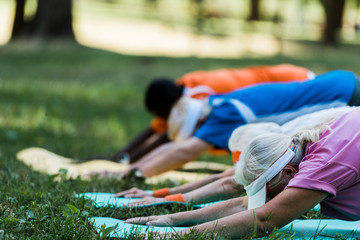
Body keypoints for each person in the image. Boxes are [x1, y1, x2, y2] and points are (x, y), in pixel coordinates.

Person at [125, 107, 360, 239]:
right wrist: (172, 219)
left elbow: (264, 218)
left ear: (288, 172)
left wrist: (178, 236)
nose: (265, 198)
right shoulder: (300, 144)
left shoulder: (324, 163)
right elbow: (247, 206)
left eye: (267, 191)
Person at [117, 70, 360, 178]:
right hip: (338, 84)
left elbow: (182, 151)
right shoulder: (218, 103)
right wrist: (133, 164)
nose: (199, 136)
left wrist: (136, 173)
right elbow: (174, 147)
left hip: (340, 96)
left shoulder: (224, 115)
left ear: (198, 122)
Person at [109, 64, 314, 163]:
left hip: (296, 82)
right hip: (289, 78)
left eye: (162, 115)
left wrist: (128, 161)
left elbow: (167, 138)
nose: (162, 121)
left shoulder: (202, 97)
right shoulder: (183, 87)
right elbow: (155, 130)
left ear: (169, 107)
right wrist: (121, 154)